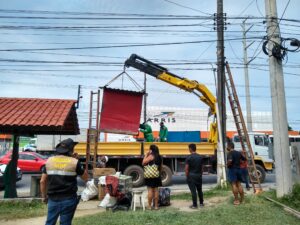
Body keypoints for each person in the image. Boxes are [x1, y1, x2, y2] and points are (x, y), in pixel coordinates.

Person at [40, 138, 88, 225]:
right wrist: (76, 160)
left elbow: (42, 181)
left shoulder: (49, 161)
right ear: (71, 150)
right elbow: (85, 178)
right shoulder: (74, 162)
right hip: (69, 199)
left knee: (50, 222)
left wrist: (44, 197)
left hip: (53, 199)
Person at [142, 144, 162, 210]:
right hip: (157, 175)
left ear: (151, 150)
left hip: (149, 176)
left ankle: (149, 206)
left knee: (150, 190)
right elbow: (161, 167)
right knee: (156, 190)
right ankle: (156, 206)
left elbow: (143, 163)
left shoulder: (151, 156)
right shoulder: (159, 157)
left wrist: (146, 155)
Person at [185, 143, 204, 209]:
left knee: (193, 191)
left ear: (190, 149)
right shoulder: (200, 157)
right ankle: (201, 203)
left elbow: (187, 169)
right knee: (200, 190)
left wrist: (187, 176)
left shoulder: (189, 157)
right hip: (198, 176)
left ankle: (195, 205)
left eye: (189, 148)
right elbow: (202, 168)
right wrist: (200, 175)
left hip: (191, 176)